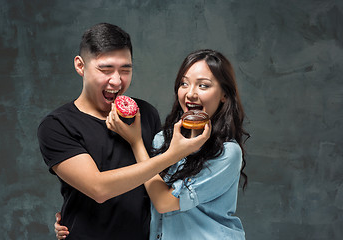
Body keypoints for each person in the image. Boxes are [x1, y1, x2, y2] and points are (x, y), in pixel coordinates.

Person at [38, 23, 211, 240]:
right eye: (105, 69)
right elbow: (98, 188)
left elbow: (161, 186)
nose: (117, 81)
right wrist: (173, 154)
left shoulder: (146, 113)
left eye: (125, 70)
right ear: (80, 66)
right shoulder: (58, 125)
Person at [55, 49, 249, 239]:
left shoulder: (226, 152)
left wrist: (136, 141)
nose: (190, 94)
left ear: (224, 94)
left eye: (203, 86)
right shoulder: (162, 140)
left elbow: (164, 202)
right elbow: (136, 187)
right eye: (184, 83)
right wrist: (74, 217)